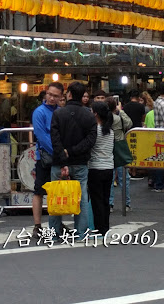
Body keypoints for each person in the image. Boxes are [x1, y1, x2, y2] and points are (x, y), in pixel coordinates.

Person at [50, 81, 97, 239]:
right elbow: (90, 140)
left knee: (56, 198)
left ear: (69, 94)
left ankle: (54, 233)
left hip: (58, 163)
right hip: (80, 162)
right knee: (82, 198)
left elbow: (55, 140)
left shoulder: (58, 113)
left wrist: (64, 157)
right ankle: (81, 232)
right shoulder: (89, 115)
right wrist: (72, 151)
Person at [31, 82, 63, 238]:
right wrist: (58, 152)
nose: (51, 98)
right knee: (39, 191)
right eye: (50, 94)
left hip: (57, 157)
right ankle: (37, 225)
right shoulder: (39, 112)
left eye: (55, 96)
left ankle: (56, 221)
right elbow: (41, 136)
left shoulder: (60, 111)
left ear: (60, 97)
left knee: (56, 192)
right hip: (44, 157)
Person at [88, 101, 115, 236]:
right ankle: (105, 227)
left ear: (96, 113)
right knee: (105, 199)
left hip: (95, 168)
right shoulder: (110, 131)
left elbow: (90, 147)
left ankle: (99, 228)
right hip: (109, 168)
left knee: (96, 199)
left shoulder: (95, 131)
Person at [107, 97, 132, 212]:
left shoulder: (104, 119)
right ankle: (126, 203)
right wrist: (120, 110)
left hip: (107, 148)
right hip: (120, 146)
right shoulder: (118, 118)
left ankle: (110, 203)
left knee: (110, 178)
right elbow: (129, 123)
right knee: (124, 178)